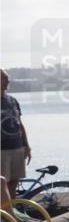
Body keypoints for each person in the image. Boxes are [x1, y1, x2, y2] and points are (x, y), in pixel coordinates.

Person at [1, 69, 30, 202]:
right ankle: (5, 216)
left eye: (8, 79)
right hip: (2, 150)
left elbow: (20, 124)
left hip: (17, 147)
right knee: (2, 185)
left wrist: (27, 146)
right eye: (4, 78)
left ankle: (12, 214)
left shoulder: (13, 100)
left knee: (14, 182)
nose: (8, 81)